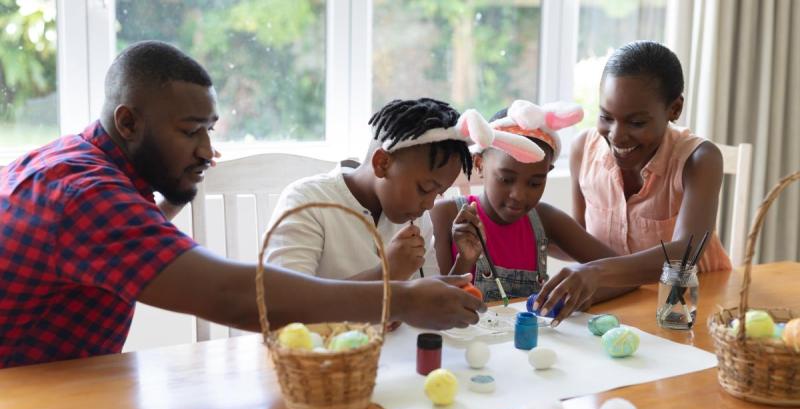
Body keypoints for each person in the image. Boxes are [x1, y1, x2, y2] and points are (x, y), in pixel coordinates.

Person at [0, 41, 483, 368]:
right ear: (127, 122)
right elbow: (231, 297)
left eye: (210, 130)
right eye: (190, 131)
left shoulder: (73, 164)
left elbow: (107, 237)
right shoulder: (88, 197)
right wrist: (400, 296)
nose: (208, 151)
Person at [534, 41, 732, 323]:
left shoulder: (699, 159)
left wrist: (595, 272)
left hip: (693, 311)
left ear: (674, 108)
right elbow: (580, 239)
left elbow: (684, 256)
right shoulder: (584, 150)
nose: (617, 135)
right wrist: (523, 232)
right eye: (606, 117)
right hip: (624, 307)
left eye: (637, 123)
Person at [265, 98, 474, 282]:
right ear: (382, 163)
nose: (429, 204)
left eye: (438, 193)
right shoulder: (307, 202)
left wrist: (463, 262)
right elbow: (284, 304)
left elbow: (427, 296)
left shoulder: (416, 216)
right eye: (424, 188)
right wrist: (385, 274)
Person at [431, 100, 617, 306]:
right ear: (479, 164)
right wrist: (465, 260)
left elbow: (621, 272)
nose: (519, 195)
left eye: (535, 183)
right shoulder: (445, 215)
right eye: (506, 179)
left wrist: (572, 298)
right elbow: (436, 306)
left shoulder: (546, 219)